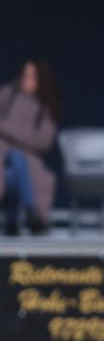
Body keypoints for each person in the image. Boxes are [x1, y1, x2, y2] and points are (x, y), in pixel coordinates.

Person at [0, 59, 60, 235]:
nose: (27, 79)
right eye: (25, 75)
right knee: (12, 164)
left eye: (32, 76)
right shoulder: (8, 94)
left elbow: (43, 141)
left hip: (27, 160)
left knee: (14, 170)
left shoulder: (45, 107)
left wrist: (7, 129)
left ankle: (14, 220)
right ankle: (30, 212)